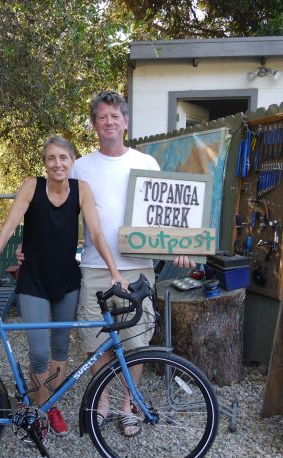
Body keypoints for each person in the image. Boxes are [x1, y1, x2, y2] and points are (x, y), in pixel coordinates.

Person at [0, 135, 128, 437]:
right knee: (38, 353)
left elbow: (97, 234)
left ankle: (51, 405)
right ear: (45, 162)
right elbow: (8, 226)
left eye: (63, 157)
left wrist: (114, 272)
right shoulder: (31, 186)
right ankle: (38, 410)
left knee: (60, 349)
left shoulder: (81, 190)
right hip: (33, 282)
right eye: (51, 158)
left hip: (67, 281)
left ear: (72, 161)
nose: (57, 163)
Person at [71, 91, 195, 437]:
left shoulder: (146, 164)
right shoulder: (80, 167)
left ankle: (129, 405)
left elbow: (165, 215)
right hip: (94, 268)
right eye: (102, 117)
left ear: (125, 122)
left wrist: (180, 247)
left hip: (138, 268)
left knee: (136, 343)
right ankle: (103, 403)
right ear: (94, 124)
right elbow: (62, 216)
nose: (109, 122)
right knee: (96, 342)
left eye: (115, 116)